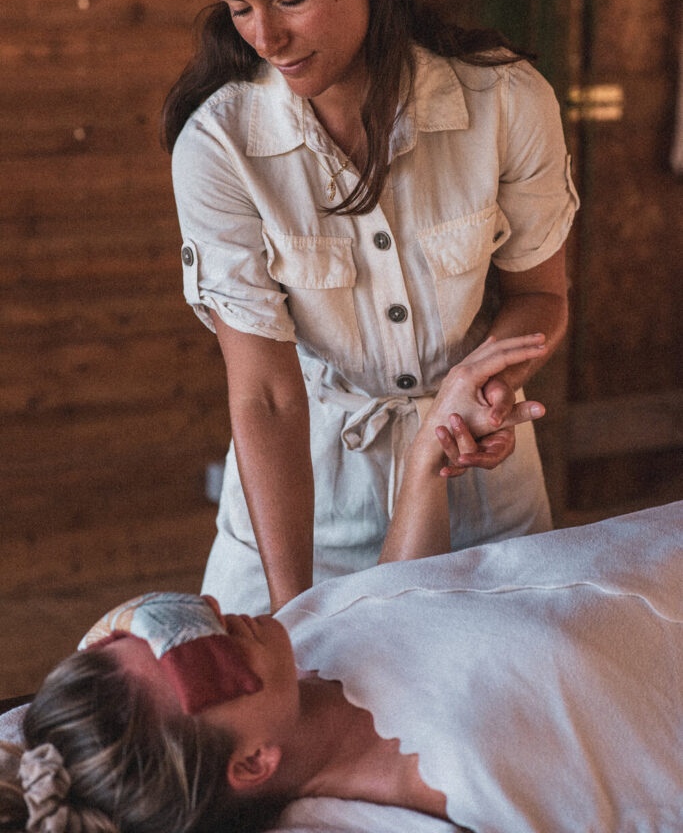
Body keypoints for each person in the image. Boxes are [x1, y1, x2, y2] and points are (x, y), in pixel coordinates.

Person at [1, 347, 680, 831]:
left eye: (172, 619)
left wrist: (424, 466)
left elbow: (394, 602)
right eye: (204, 661)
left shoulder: (288, 654)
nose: (221, 617)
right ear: (251, 765)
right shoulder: (453, 787)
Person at [166, 0, 579, 613]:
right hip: (304, 511)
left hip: (481, 495)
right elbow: (266, 397)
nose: (266, 36)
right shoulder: (219, 146)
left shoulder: (506, 102)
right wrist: (295, 618)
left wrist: (482, 388)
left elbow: (541, 296)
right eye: (238, 8)